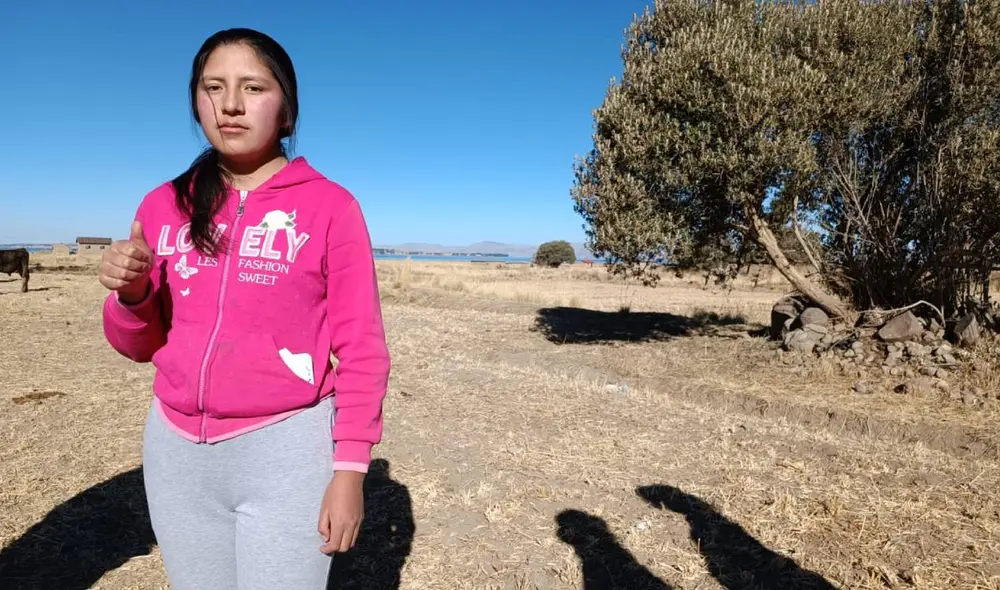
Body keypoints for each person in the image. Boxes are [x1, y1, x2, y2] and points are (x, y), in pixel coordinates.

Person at [98, 27, 391, 589]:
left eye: (253, 87)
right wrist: (131, 295)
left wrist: (350, 471)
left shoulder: (331, 207)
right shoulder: (164, 205)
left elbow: (362, 349)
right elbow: (140, 344)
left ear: (285, 112)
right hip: (175, 453)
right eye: (214, 87)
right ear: (196, 101)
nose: (230, 104)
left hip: (287, 450)